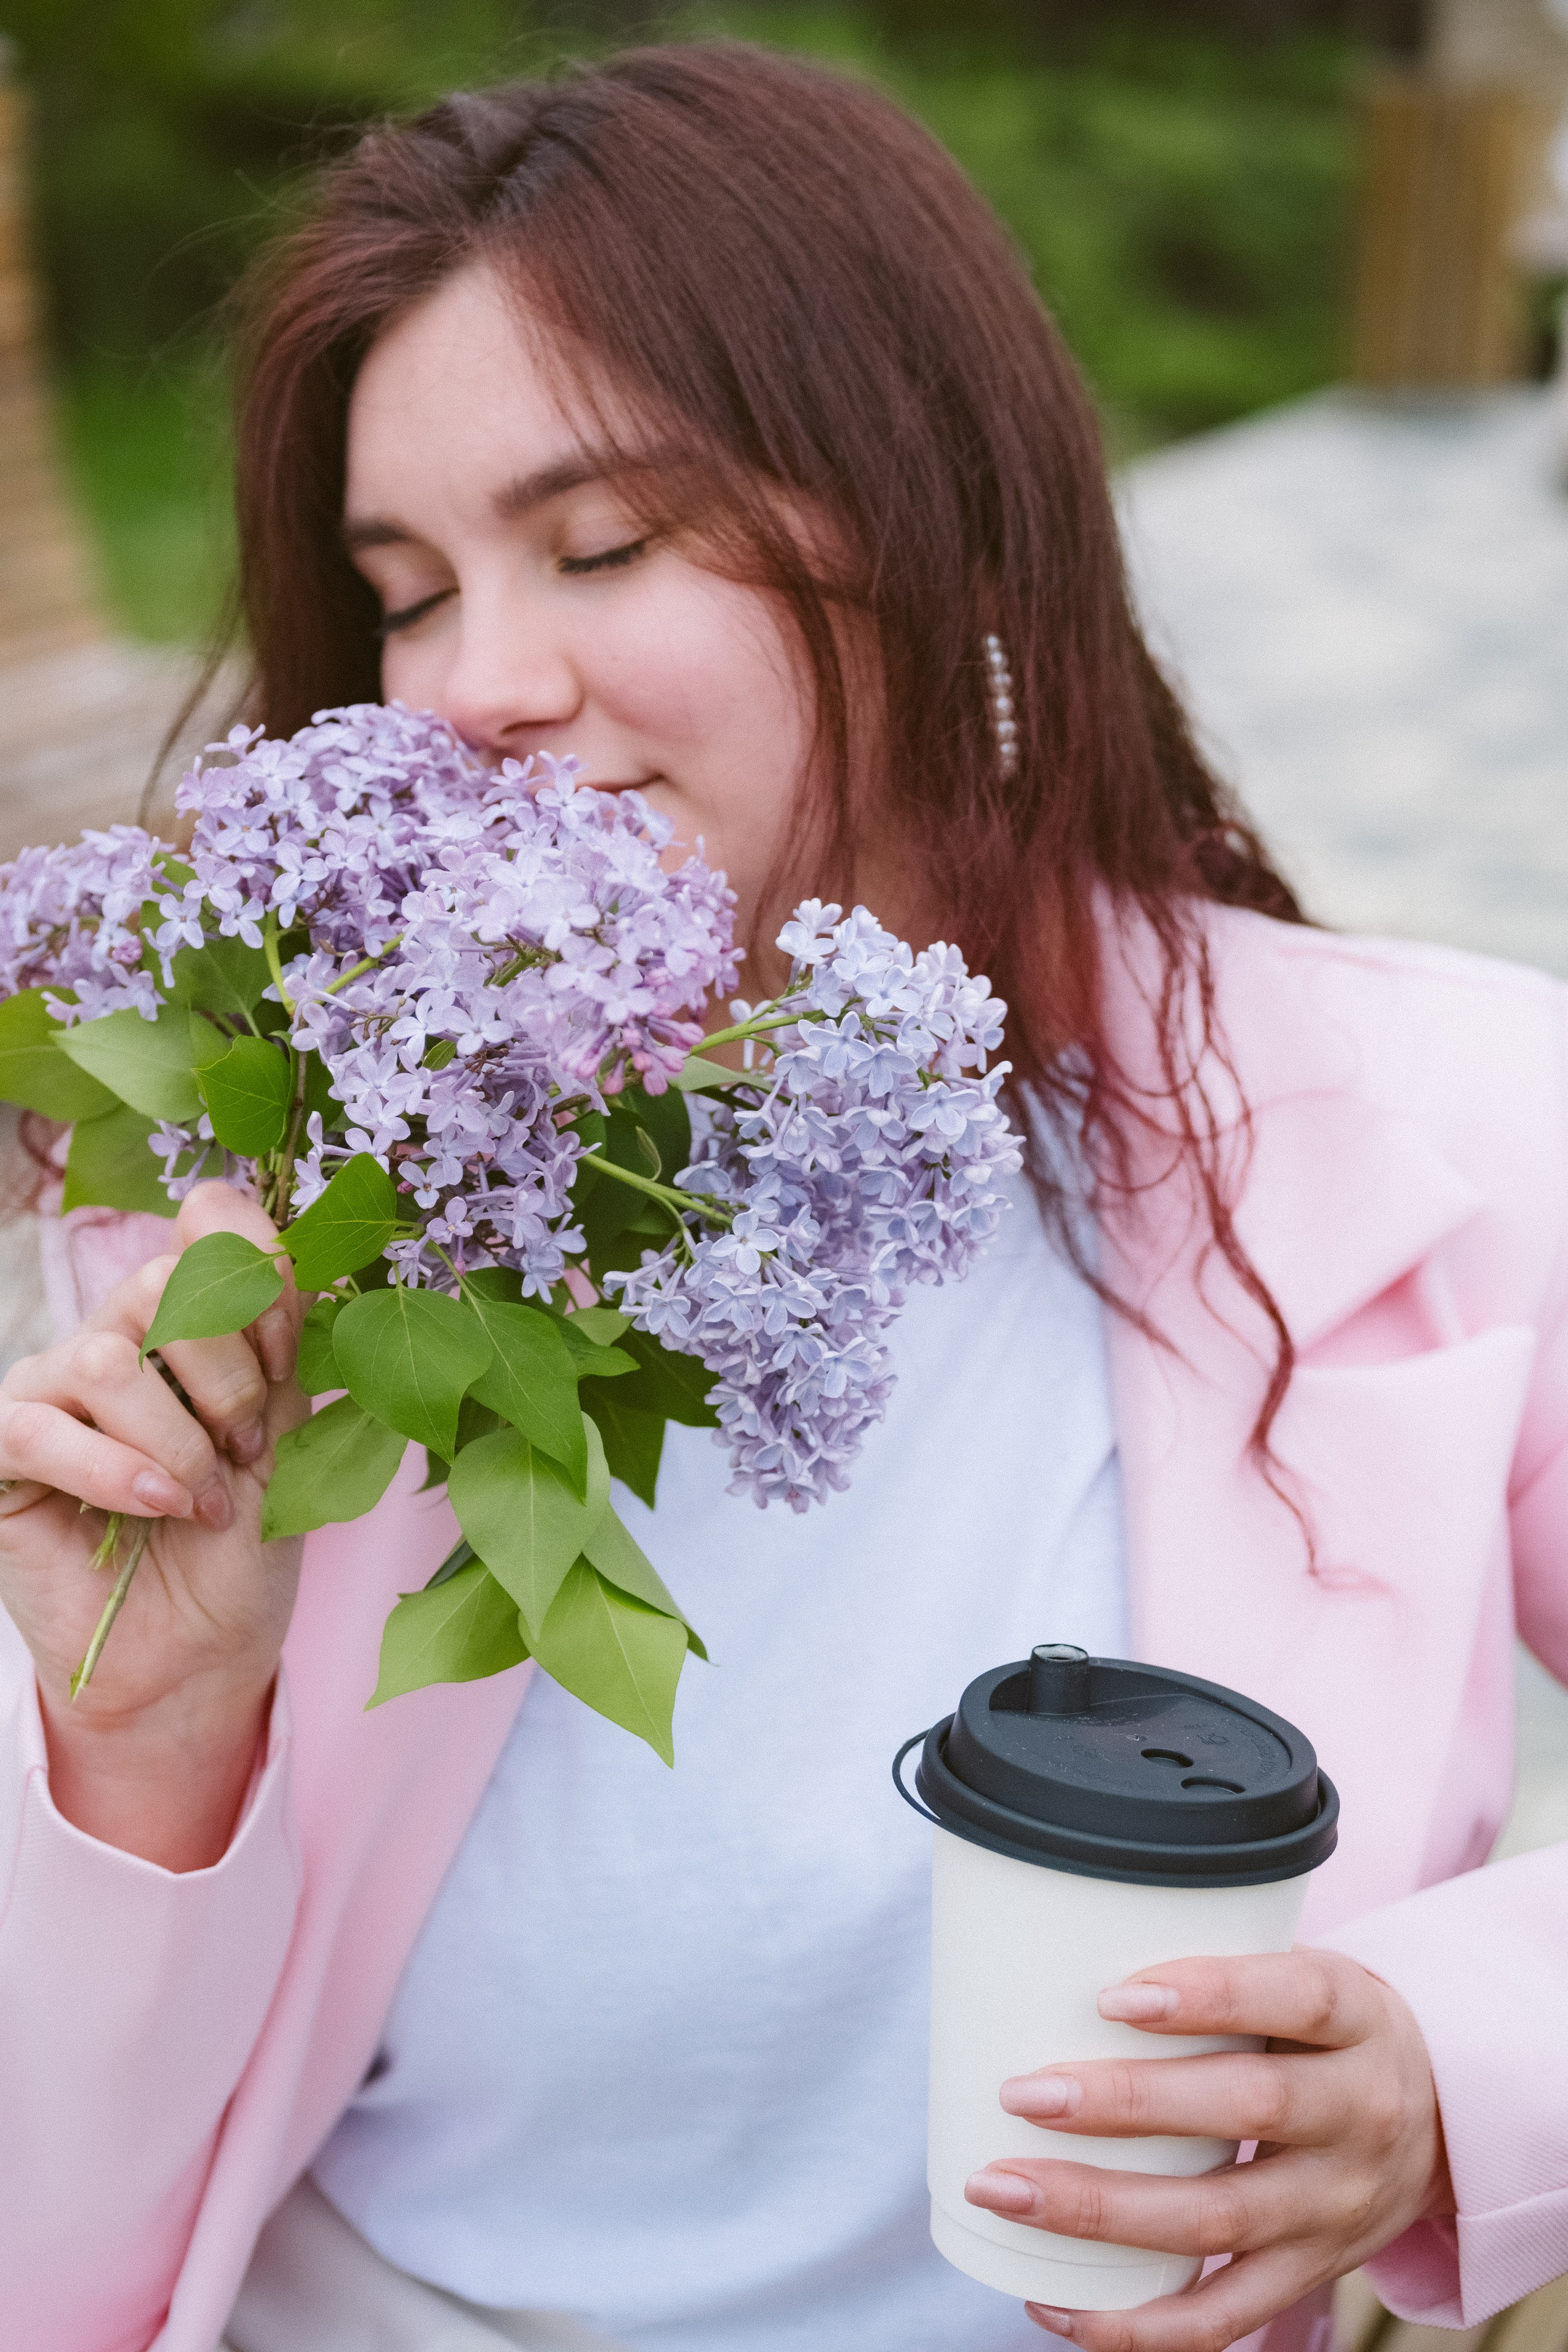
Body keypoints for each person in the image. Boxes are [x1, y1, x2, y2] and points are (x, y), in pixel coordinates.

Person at [2, 41, 1565, 2352]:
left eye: (605, 544)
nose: (478, 686)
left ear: (938, 532)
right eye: (406, 593)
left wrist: (1458, 2063)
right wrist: (144, 1756)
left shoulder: (1452, 1122)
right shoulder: (262, 1232)